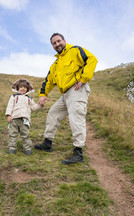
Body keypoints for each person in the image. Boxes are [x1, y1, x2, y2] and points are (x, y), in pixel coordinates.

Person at [34, 33, 98, 164]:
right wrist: (42, 95)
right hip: (65, 94)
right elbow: (48, 81)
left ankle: (78, 152)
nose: (57, 44)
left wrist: (83, 79)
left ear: (64, 40)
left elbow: (92, 60)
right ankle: (47, 143)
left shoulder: (75, 50)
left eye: (58, 41)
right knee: (53, 113)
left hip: (77, 90)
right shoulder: (56, 64)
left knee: (76, 118)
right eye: (54, 43)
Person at [5, 78, 40, 155]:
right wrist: (8, 115)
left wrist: (40, 104)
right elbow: (10, 106)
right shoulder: (14, 96)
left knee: (25, 135)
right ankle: (12, 148)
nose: (23, 89)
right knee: (13, 134)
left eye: (25, 87)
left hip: (25, 120)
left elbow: (34, 107)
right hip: (14, 119)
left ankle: (27, 149)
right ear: (18, 88)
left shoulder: (29, 99)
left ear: (27, 89)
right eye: (21, 87)